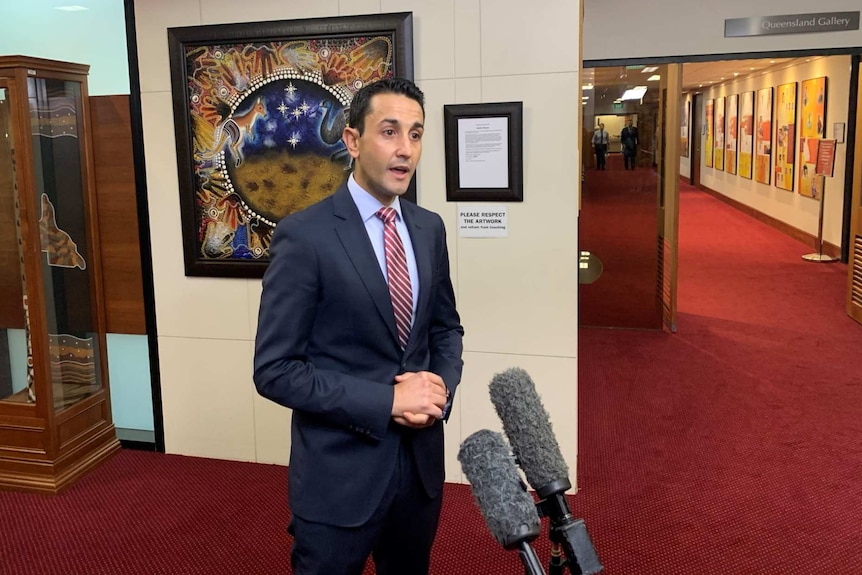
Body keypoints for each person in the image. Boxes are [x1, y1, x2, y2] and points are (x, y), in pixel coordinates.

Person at [253, 77, 465, 575]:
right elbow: (275, 370)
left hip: (418, 470)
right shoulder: (304, 237)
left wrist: (439, 390)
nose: (405, 150)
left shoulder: (428, 227)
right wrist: (387, 401)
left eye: (415, 134)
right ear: (351, 140)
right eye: (389, 132)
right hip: (337, 478)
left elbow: (445, 330)